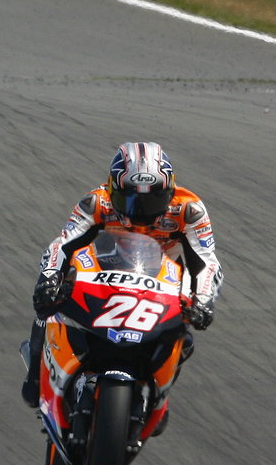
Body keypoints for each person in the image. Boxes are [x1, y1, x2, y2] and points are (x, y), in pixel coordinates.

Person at [20, 142, 222, 414]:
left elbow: (206, 261)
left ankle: (157, 398)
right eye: (129, 198)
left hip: (162, 283)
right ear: (112, 188)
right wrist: (49, 278)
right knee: (48, 308)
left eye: (153, 199)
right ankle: (38, 375)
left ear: (170, 190)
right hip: (102, 272)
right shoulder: (95, 202)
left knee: (184, 338)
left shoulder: (189, 210)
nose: (140, 211)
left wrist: (204, 299)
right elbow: (62, 245)